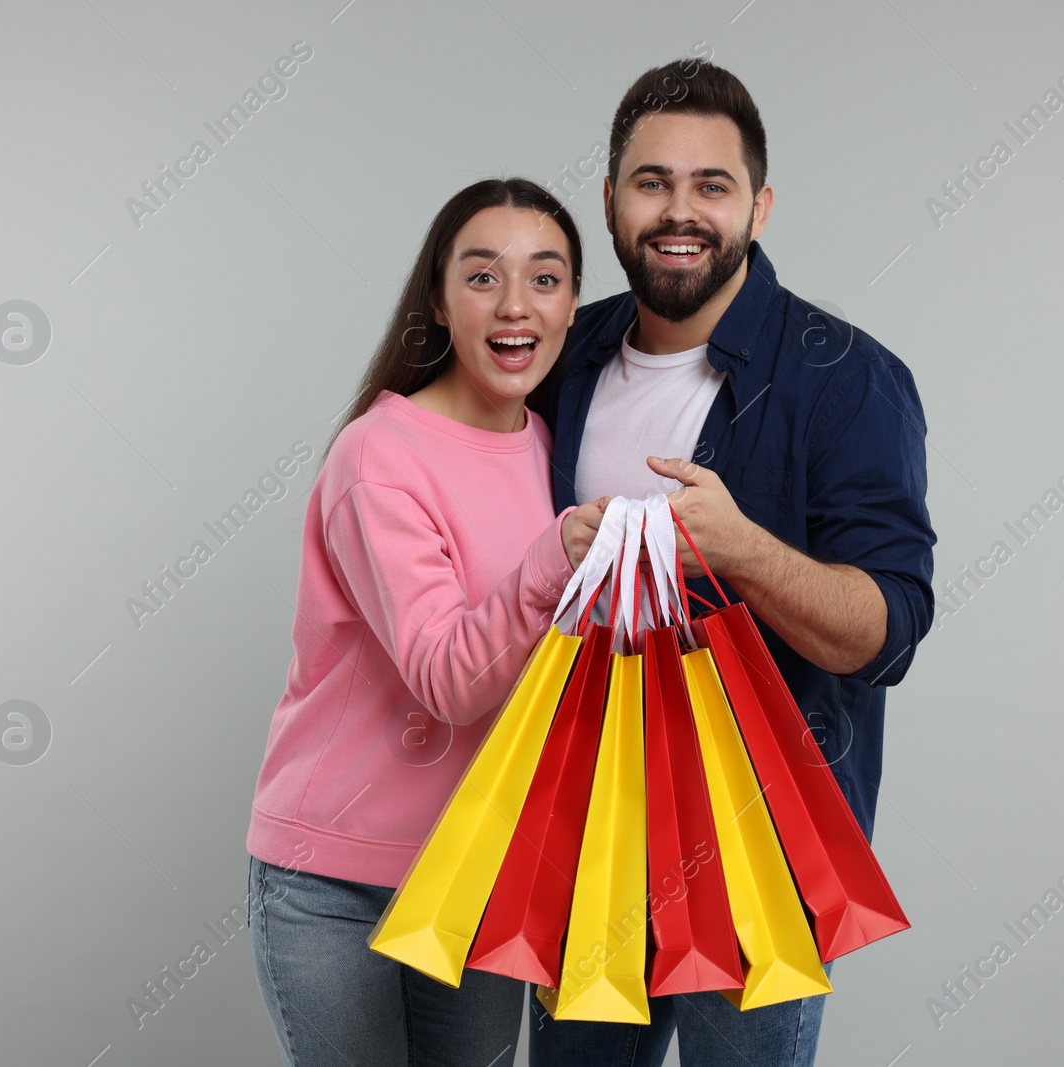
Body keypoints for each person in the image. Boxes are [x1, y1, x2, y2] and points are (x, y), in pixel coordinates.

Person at [526, 61, 938, 1066]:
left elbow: (884, 634)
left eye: (710, 185)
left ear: (757, 205)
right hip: (587, 845)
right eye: (651, 181)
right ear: (613, 199)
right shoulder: (554, 357)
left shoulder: (850, 380)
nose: (680, 211)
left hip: (762, 859)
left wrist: (745, 551)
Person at [244, 177, 610, 1067]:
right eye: (482, 277)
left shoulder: (556, 449)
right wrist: (558, 552)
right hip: (335, 881)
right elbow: (447, 678)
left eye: (546, 279)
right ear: (439, 303)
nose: (515, 304)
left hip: (476, 870)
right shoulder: (381, 455)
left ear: (571, 309)